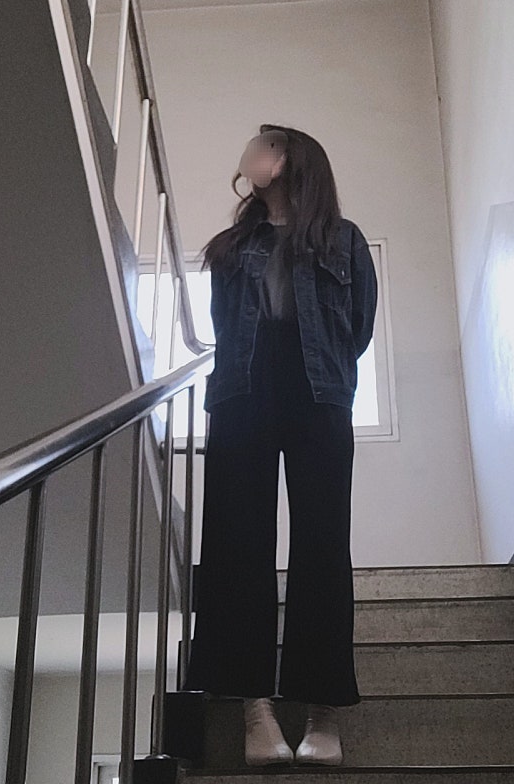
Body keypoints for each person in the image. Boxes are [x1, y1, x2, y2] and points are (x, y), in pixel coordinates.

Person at [182, 124, 378, 767]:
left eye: (263, 143)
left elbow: (358, 328)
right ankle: (254, 709)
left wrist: (324, 370)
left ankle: (323, 710)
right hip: (243, 390)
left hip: (319, 391)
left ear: (293, 159)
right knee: (239, 542)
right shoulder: (233, 245)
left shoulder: (343, 239)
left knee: (322, 542)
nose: (249, 151)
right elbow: (223, 326)